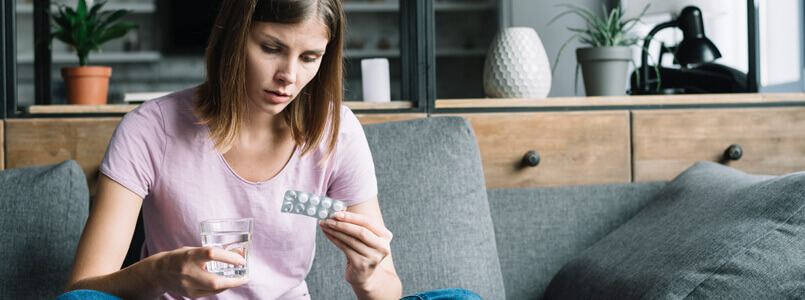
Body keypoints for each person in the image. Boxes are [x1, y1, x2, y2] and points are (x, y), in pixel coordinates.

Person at [57, 0, 482, 299]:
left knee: (462, 299)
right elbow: (82, 290)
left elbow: (388, 291)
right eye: (271, 48)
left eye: (310, 57)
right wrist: (159, 273)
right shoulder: (149, 129)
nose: (289, 77)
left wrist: (368, 275)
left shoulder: (338, 132)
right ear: (232, 37)